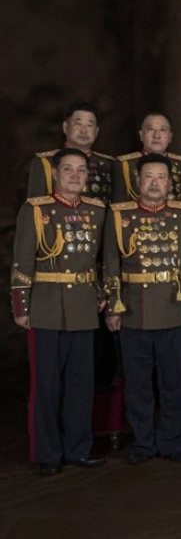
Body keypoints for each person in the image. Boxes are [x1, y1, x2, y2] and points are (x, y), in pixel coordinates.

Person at [12, 148, 107, 475]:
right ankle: (47, 454)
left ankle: (78, 449)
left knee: (81, 385)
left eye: (81, 170)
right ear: (55, 174)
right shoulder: (36, 210)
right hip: (47, 306)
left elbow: (102, 259)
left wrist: (104, 292)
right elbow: (22, 260)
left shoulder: (97, 211)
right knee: (46, 386)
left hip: (83, 306)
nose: (76, 175)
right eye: (68, 169)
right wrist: (21, 304)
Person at [103, 153, 181, 464]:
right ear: (137, 181)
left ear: (169, 183)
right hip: (133, 310)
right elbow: (111, 264)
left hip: (173, 307)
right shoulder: (119, 215)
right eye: (149, 177)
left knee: (174, 381)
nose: (155, 182)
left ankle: (174, 442)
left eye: (161, 177)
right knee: (137, 384)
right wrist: (113, 307)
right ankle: (143, 443)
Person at [27, 102, 115, 203]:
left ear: (96, 131)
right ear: (65, 127)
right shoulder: (45, 162)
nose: (84, 131)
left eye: (89, 125)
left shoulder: (109, 164)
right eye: (78, 124)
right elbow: (35, 208)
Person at [112, 112, 181, 202]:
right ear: (141, 135)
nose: (156, 136)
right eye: (151, 129)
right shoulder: (125, 165)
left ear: (170, 137)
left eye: (162, 130)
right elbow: (117, 205)